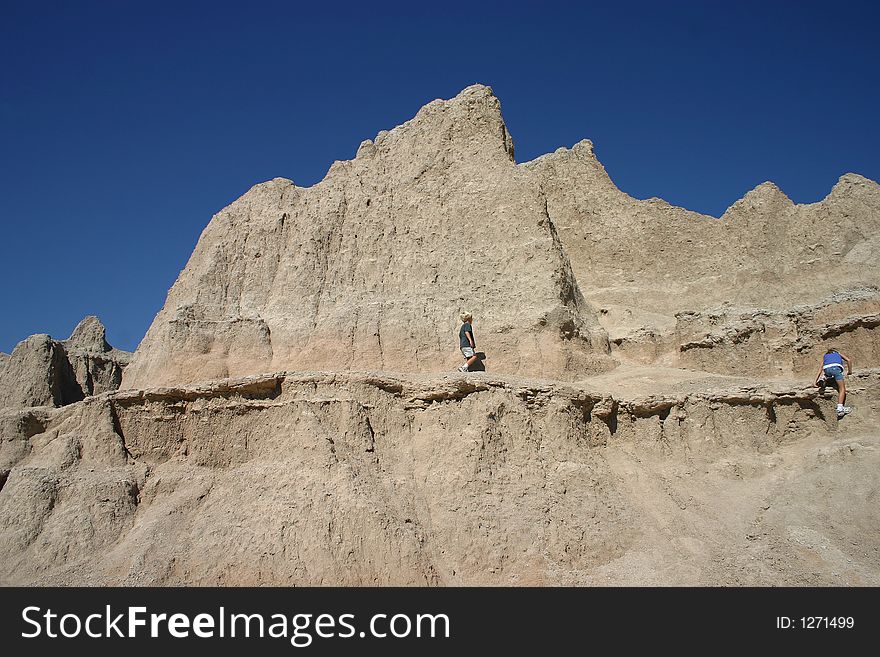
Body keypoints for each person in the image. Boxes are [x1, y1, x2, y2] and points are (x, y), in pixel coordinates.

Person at [815, 347, 853, 418]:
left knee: (828, 375)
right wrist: (850, 371)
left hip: (826, 369)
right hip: (836, 369)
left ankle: (823, 380)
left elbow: (820, 369)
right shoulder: (837, 353)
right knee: (842, 389)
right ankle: (840, 409)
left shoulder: (825, 356)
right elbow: (849, 360)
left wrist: (815, 381)